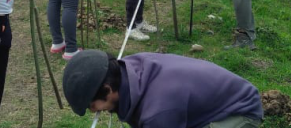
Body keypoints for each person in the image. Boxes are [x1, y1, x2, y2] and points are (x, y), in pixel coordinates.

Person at [63, 50, 263, 128]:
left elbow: (157, 118)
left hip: (239, 112)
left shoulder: (158, 111)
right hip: (213, 102)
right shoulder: (129, 68)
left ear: (108, 90)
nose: (94, 112)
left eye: (93, 105)